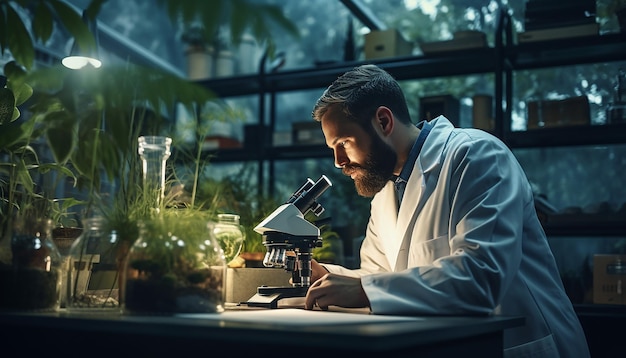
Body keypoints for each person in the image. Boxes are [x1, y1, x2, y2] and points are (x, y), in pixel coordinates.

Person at [305, 64, 590, 358]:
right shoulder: (386, 195)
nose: (338, 161)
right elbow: (381, 277)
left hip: (521, 344)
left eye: (344, 143)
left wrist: (364, 289)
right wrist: (325, 276)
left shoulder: (476, 155)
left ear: (383, 121)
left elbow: (481, 278)